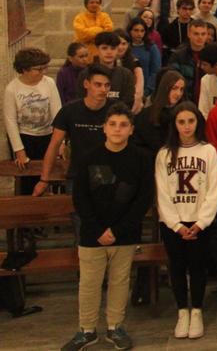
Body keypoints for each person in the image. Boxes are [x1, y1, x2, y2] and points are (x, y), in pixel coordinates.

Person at [61, 104, 153, 351]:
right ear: (104, 128)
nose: (117, 129)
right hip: (92, 233)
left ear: (131, 130)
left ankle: (115, 326)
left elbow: (143, 198)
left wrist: (119, 230)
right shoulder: (88, 157)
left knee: (120, 281)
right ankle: (86, 330)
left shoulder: (141, 158)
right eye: (112, 124)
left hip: (125, 233)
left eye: (123, 125)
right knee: (89, 283)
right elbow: (80, 198)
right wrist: (98, 228)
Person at [156, 102, 217, 339]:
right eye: (181, 122)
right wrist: (175, 225)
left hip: (198, 221)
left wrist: (202, 222)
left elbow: (215, 189)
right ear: (174, 125)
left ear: (198, 123)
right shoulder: (164, 153)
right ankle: (181, 311)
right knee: (176, 267)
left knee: (197, 267)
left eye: (191, 121)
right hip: (173, 223)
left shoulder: (208, 151)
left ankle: (197, 311)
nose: (186, 126)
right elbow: (162, 193)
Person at [34, 66, 113, 197]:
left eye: (107, 85)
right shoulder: (69, 111)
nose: (103, 89)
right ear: (86, 84)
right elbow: (54, 145)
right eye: (98, 85)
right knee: (77, 215)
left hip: (108, 172)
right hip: (78, 173)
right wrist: (44, 179)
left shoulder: (115, 109)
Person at [4, 48, 61, 193]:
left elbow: (57, 113)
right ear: (24, 70)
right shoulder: (12, 89)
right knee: (27, 180)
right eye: (39, 69)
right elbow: (10, 120)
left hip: (47, 135)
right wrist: (19, 150)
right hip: (25, 137)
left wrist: (59, 142)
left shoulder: (49, 82)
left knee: (48, 174)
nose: (43, 72)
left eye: (45, 68)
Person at [133, 70, 184, 154]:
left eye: (181, 89)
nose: (178, 93)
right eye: (174, 88)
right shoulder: (146, 115)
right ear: (165, 88)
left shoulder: (183, 114)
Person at [167, 20, 212, 103]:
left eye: (203, 34)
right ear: (189, 34)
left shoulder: (213, 54)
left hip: (208, 100)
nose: (200, 37)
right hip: (184, 100)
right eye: (196, 34)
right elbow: (172, 80)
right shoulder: (178, 55)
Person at [127, 18, 162, 97]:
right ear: (130, 31)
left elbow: (155, 71)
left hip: (146, 90)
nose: (139, 34)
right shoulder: (125, 47)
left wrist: (147, 90)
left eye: (142, 31)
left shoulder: (151, 47)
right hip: (127, 89)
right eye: (136, 30)